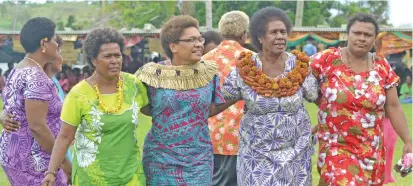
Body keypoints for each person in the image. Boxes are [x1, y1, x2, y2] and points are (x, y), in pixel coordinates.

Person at [310, 13, 412, 185]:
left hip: (370, 151)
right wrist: (324, 105)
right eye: (357, 33)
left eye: (367, 35)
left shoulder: (382, 67)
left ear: (374, 39)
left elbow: (393, 107)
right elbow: (298, 83)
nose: (361, 38)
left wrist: (408, 141)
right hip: (335, 146)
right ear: (347, 35)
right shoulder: (325, 60)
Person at [221, 7, 318, 185]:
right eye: (273, 32)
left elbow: (317, 97)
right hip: (256, 156)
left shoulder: (300, 66)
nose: (280, 36)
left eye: (283, 32)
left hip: (296, 155)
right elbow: (220, 101)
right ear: (260, 37)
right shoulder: (245, 69)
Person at [41, 28, 147, 186]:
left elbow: (154, 111)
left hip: (130, 175)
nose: (114, 61)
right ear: (93, 60)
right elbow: (64, 137)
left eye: (117, 55)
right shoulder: (78, 95)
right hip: (91, 178)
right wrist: (51, 172)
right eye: (107, 56)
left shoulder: (134, 85)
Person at [135, 15, 225, 185]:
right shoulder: (152, 75)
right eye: (191, 40)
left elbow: (212, 108)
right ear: (173, 46)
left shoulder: (209, 74)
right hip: (160, 159)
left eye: (200, 39)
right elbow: (143, 108)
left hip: (199, 160)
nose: (199, 44)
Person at [0, 17, 70, 186]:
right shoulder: (36, 77)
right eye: (54, 40)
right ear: (44, 43)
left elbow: (12, 107)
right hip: (34, 161)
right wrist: (63, 162)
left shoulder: (19, 68)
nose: (57, 46)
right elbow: (37, 127)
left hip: (13, 153)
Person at [202, 10, 251, 186]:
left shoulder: (205, 60)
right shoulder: (252, 60)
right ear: (244, 34)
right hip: (243, 137)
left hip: (210, 136)